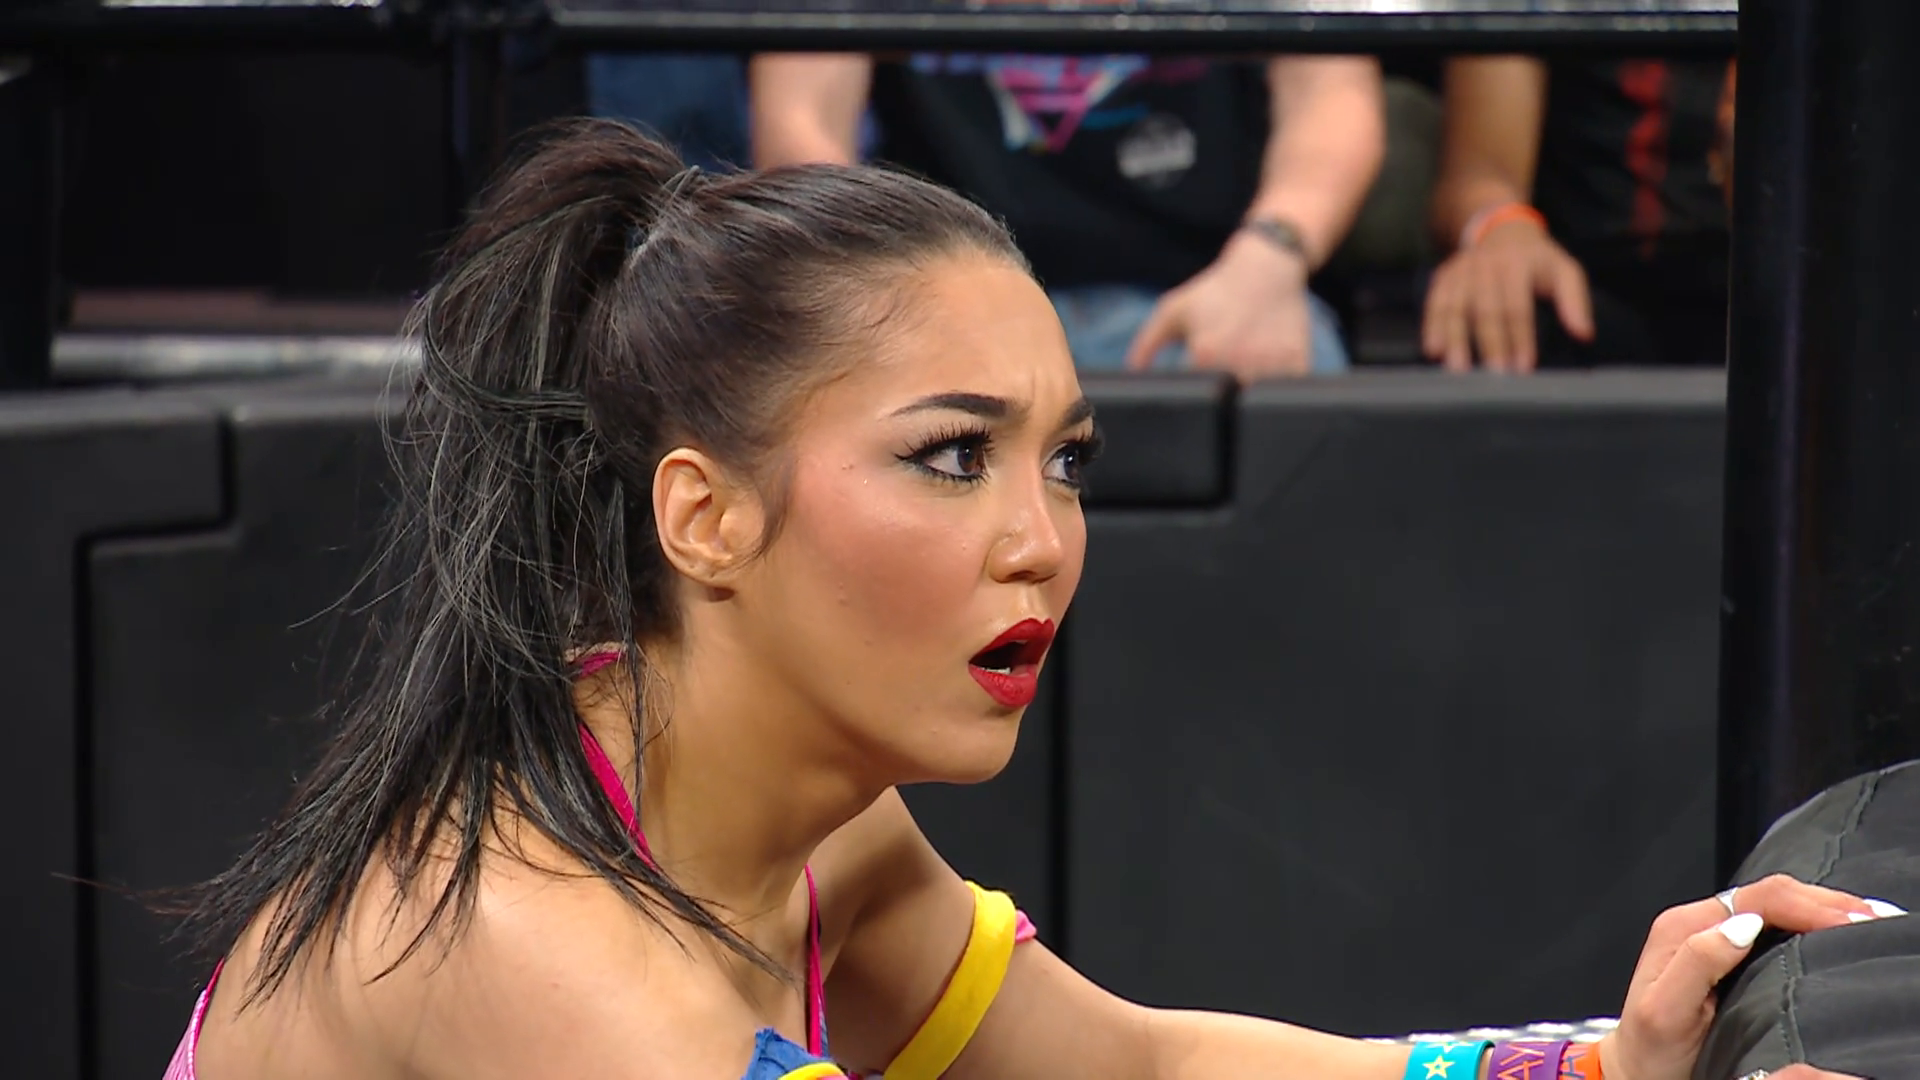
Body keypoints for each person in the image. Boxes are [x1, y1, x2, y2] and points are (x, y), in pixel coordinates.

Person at [166, 119, 1891, 1080]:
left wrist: (1605, 1071)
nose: (1040, 542)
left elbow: (1136, 1073)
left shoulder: (813, 832)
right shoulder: (543, 952)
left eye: (1063, 460)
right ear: (703, 515)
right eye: (949, 457)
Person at [749, 52, 1384, 381]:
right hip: (936, 295)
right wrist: (877, 291)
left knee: (1295, 364)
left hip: (1203, 297)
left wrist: (1270, 256)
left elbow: (1333, 92)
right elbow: (799, 119)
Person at [1421, 55, 1737, 373]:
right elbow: (1481, 174)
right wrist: (1501, 228)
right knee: (1494, 306)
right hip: (1585, 290)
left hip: (1747, 293)